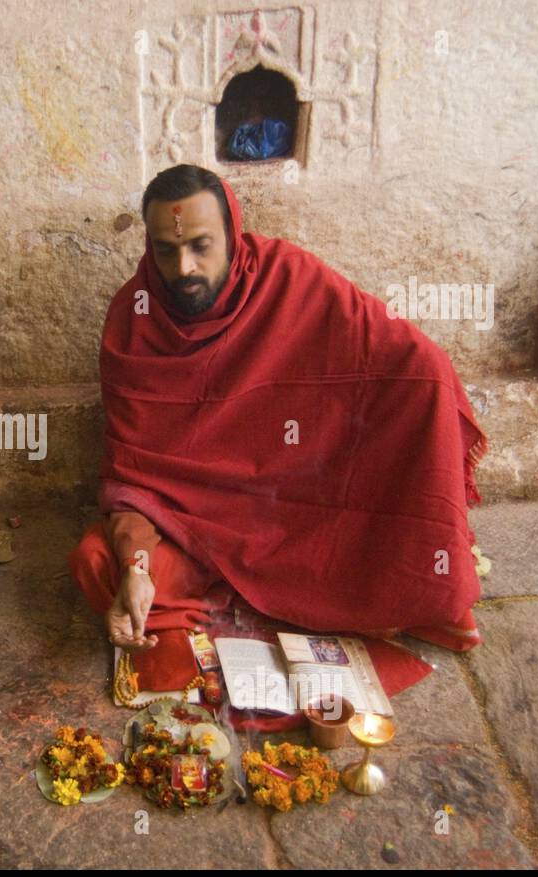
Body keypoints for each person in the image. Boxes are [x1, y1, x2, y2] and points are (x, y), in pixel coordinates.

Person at [70, 164, 488, 715]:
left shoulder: (287, 279)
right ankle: (190, 590)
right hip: (191, 530)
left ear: (233, 233)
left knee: (402, 556)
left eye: (201, 246)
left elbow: (411, 361)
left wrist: (426, 397)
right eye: (166, 251)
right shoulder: (133, 318)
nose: (184, 268)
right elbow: (133, 480)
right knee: (98, 561)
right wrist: (137, 568)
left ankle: (272, 590)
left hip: (293, 522)